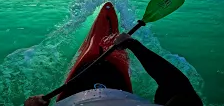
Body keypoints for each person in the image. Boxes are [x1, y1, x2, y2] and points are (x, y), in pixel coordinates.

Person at [24, 33, 203, 106]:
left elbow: (177, 85)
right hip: (117, 87)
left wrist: (134, 45)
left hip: (78, 93)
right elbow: (179, 87)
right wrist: (134, 45)